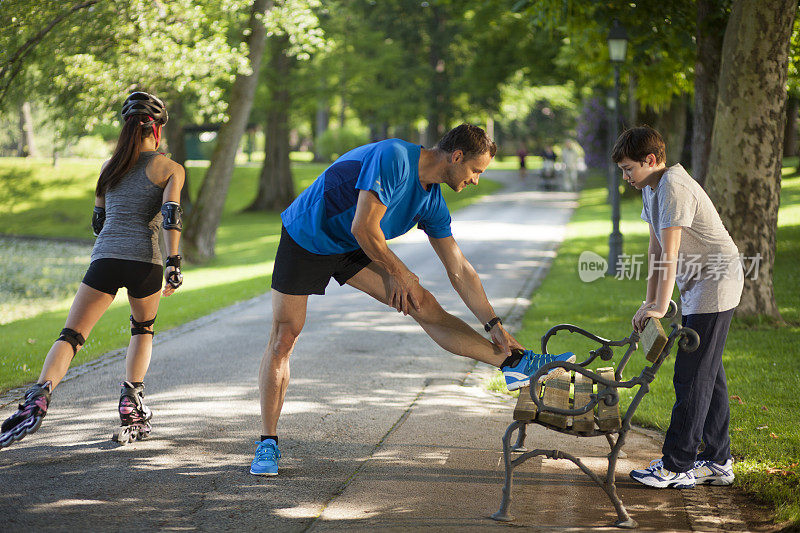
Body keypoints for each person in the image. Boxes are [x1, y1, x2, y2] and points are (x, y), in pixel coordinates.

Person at [251, 124, 575, 475]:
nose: (476, 180)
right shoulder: (395, 158)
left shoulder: (432, 200)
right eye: (476, 171)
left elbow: (460, 269)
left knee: (424, 305)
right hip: (309, 237)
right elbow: (363, 226)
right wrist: (402, 274)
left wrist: (493, 323)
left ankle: (515, 364)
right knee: (286, 337)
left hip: (355, 246)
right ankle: (268, 442)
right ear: (456, 156)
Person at [0, 92, 186, 449]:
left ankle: (38, 397)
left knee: (71, 335)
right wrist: (173, 265)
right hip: (144, 261)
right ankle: (131, 405)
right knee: (142, 328)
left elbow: (98, 223)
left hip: (105, 259)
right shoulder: (170, 168)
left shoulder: (108, 166)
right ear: (157, 129)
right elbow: (170, 216)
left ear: (127, 127)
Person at [612, 126, 742, 489]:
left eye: (628, 169)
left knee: (692, 375)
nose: (625, 178)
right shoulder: (652, 188)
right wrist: (652, 302)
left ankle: (678, 465)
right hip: (698, 283)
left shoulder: (673, 187)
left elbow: (670, 255)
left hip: (716, 283)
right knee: (709, 373)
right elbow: (655, 251)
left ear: (650, 160)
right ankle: (718, 460)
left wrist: (658, 306)